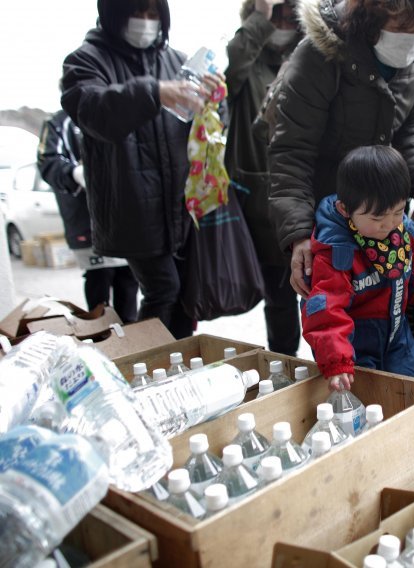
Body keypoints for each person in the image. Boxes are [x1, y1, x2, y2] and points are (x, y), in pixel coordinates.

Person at [60, 0, 224, 338]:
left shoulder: (176, 61)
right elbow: (93, 110)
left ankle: (178, 363)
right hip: (131, 207)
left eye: (153, 15)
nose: (145, 22)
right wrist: (154, 92)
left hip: (181, 208)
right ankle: (146, 367)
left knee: (184, 297)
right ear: (113, 15)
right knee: (163, 289)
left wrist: (214, 99)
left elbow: (202, 130)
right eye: (137, 13)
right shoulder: (85, 60)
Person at [267, 0, 414, 299]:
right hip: (330, 220)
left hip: (383, 221)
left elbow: (409, 127)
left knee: (386, 315)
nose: (412, 39)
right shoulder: (319, 55)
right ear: (370, 17)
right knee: (334, 320)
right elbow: (291, 153)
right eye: (402, 27)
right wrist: (299, 235)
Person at [302, 145, 414, 391]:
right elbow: (326, 309)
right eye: (377, 219)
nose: (388, 225)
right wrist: (338, 360)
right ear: (345, 210)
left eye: (397, 212)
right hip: (354, 346)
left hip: (398, 336)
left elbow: (411, 260)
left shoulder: (401, 231)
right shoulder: (336, 250)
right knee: (370, 400)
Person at [225, 0, 303, 356]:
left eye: (290, 14)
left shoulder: (312, 56)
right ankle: (288, 370)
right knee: (280, 298)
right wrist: (260, 18)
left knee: (325, 296)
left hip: (307, 194)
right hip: (259, 204)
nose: (283, 21)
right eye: (277, 14)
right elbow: (227, 75)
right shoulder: (247, 59)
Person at [37, 109, 139, 323]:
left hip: (126, 220)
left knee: (129, 284)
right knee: (99, 285)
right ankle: (102, 341)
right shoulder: (59, 123)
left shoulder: (114, 112)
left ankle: (132, 343)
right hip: (86, 221)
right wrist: (74, 173)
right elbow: (47, 162)